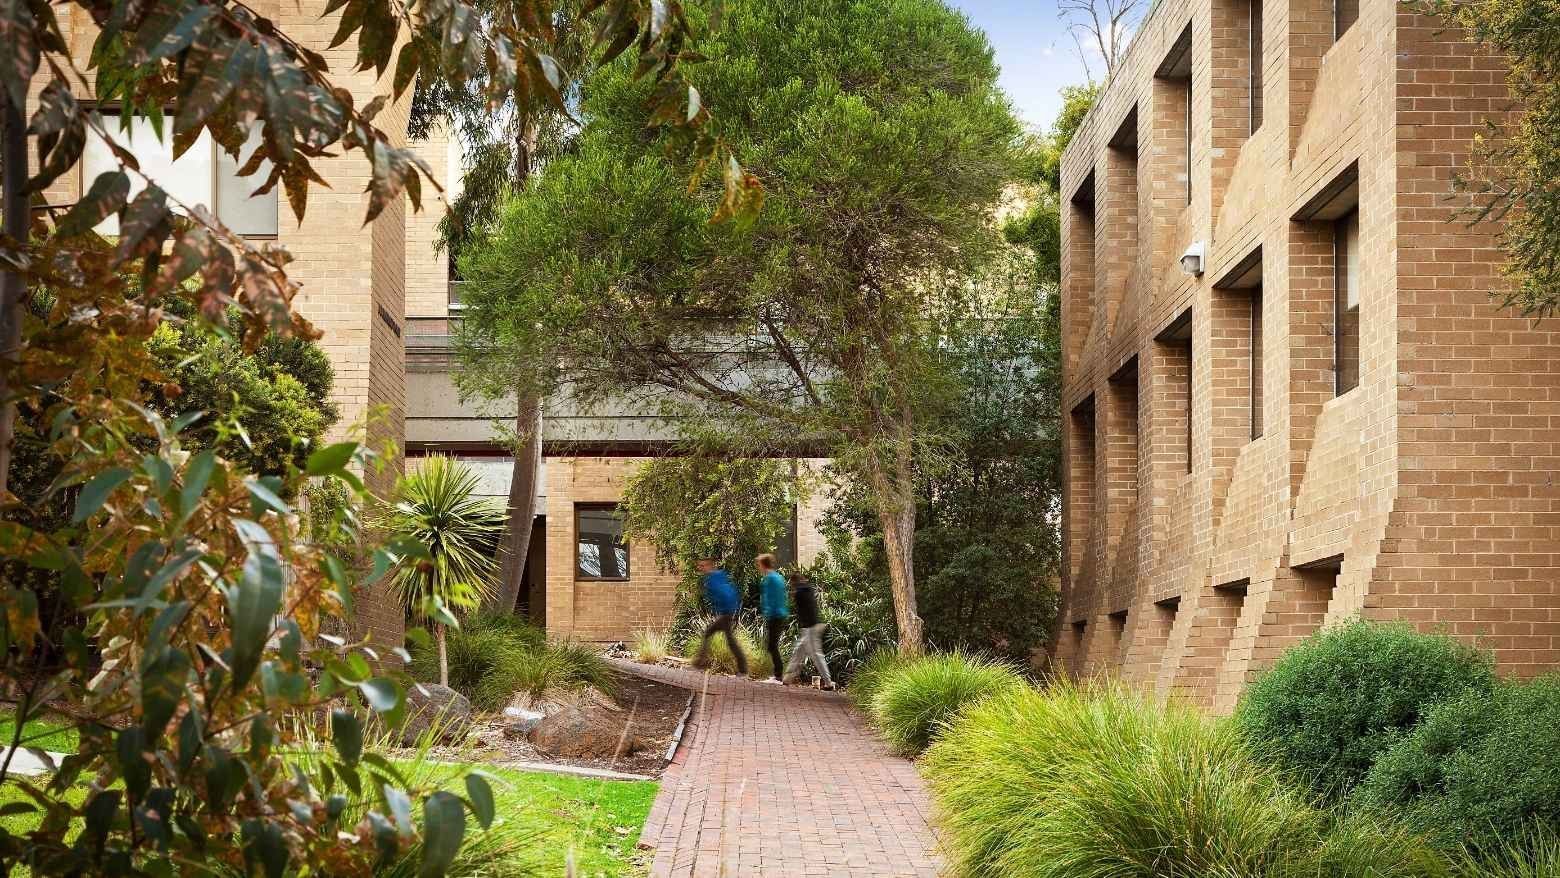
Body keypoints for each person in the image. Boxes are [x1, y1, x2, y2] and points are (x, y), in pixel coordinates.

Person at [692, 555, 748, 676]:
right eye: (699, 565)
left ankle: (700, 663)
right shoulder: (716, 577)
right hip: (727, 613)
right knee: (729, 640)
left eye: (703, 565)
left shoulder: (714, 579)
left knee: (710, 634)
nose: (700, 568)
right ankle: (742, 669)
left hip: (726, 613)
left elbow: (726, 594)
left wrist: (725, 612)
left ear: (710, 565)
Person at [782, 572, 833, 689]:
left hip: (810, 628)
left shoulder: (800, 592)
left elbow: (798, 602)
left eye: (792, 583)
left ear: (794, 582)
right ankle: (787, 678)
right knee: (798, 651)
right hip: (810, 627)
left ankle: (828, 682)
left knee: (816, 655)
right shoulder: (807, 589)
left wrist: (791, 594)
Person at [756, 553, 789, 684]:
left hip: (775, 615)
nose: (758, 567)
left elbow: (770, 599)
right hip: (780, 614)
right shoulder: (778, 577)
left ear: (763, 565)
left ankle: (778, 676)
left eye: (759, 565)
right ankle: (777, 674)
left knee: (772, 646)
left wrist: (767, 613)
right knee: (772, 645)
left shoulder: (769, 579)